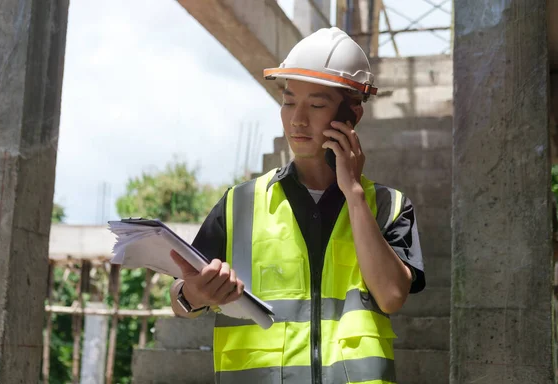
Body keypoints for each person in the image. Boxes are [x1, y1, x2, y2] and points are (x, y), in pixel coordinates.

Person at [169, 27, 425, 384]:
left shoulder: (387, 206)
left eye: (316, 105)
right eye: (289, 102)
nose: (297, 119)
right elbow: (181, 298)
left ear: (353, 115)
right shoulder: (240, 204)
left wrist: (353, 193)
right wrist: (194, 294)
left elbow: (392, 295)